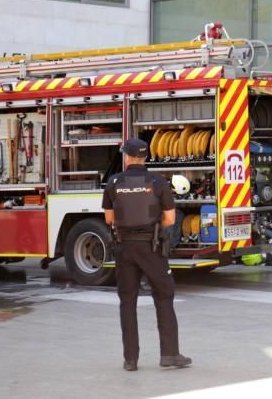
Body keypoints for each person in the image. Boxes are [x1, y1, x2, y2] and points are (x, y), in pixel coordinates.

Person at [102, 138, 191, 372]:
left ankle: (130, 360)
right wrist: (152, 227)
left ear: (127, 157)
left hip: (124, 249)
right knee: (164, 297)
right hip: (152, 248)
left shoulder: (113, 183)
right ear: (145, 157)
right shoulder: (159, 183)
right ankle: (169, 355)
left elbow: (109, 220)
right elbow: (170, 220)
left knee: (127, 302)